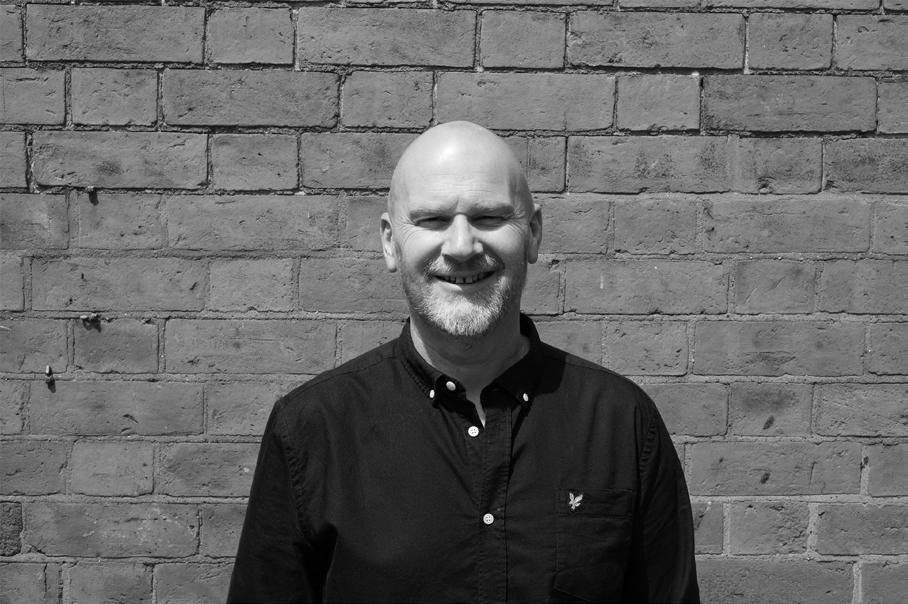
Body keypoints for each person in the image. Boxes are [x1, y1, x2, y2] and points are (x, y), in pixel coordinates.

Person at [227, 121, 699, 603]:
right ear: (390, 242)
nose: (461, 246)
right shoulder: (312, 430)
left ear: (533, 233)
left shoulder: (622, 423)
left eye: (489, 217)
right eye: (432, 220)